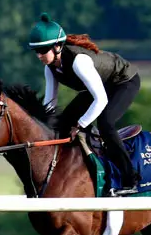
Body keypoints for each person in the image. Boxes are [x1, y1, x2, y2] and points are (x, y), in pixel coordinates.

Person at [26, 13, 141, 195]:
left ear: (57, 47)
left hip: (123, 82)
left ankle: (130, 179)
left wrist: (80, 125)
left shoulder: (79, 62)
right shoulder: (50, 68)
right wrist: (37, 125)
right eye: (36, 51)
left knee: (105, 123)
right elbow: (50, 104)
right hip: (102, 86)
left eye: (43, 50)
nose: (39, 55)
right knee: (63, 121)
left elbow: (101, 99)